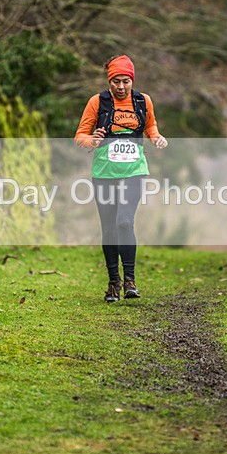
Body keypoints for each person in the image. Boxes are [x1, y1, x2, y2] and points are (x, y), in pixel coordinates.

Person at [75, 55, 168, 302]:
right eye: (116, 81)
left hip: (134, 171)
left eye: (125, 81)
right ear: (109, 81)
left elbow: (150, 126)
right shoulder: (97, 102)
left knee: (125, 222)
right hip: (104, 173)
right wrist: (92, 140)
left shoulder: (142, 101)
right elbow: (80, 136)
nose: (121, 87)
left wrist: (156, 137)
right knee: (109, 228)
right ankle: (113, 282)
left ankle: (130, 280)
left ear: (131, 80)